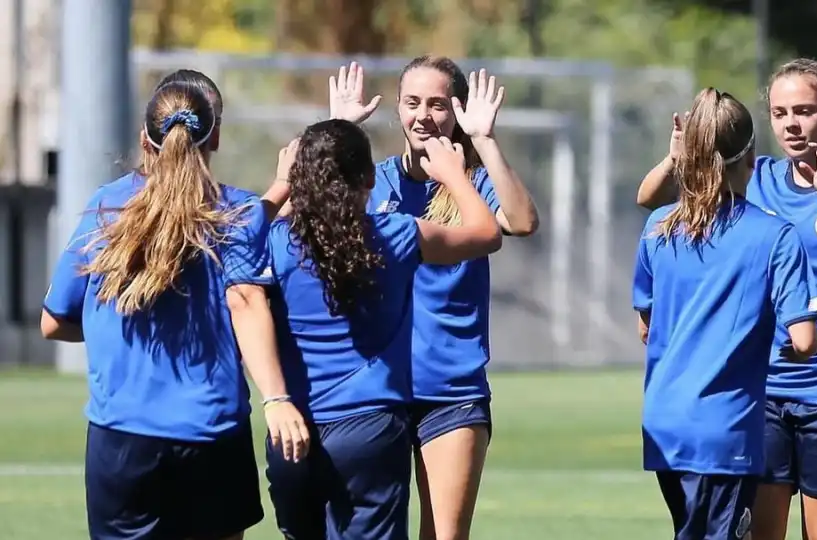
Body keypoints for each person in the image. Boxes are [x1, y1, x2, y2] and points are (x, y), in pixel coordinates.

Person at [636, 58, 817, 540]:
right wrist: (681, 155)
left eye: (804, 110)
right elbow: (652, 200)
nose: (792, 123)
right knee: (761, 533)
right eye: (780, 112)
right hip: (761, 390)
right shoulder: (757, 175)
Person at [40, 78, 309, 540]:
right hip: (211, 433)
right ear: (216, 137)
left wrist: (122, 321)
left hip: (120, 437)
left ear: (146, 139)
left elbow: (53, 322)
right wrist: (277, 398)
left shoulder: (105, 207)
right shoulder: (239, 212)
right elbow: (245, 298)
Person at [317, 59, 540, 539]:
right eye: (412, 102)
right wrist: (339, 131)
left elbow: (521, 222)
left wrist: (484, 140)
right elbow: (309, 213)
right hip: (376, 396)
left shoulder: (472, 184)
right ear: (397, 109)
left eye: (438, 104)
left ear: (457, 112)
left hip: (451, 391)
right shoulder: (370, 183)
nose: (423, 115)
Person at [260, 119, 502, 540]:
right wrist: (454, 177)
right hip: (369, 428)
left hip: (294, 431)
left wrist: (281, 185)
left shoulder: (275, 241)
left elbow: (236, 235)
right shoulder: (395, 233)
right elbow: (486, 233)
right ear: (370, 178)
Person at [632, 87, 817, 540]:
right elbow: (805, 340)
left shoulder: (657, 228)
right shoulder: (776, 236)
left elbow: (647, 324)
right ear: (752, 155)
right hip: (724, 428)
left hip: (664, 423)